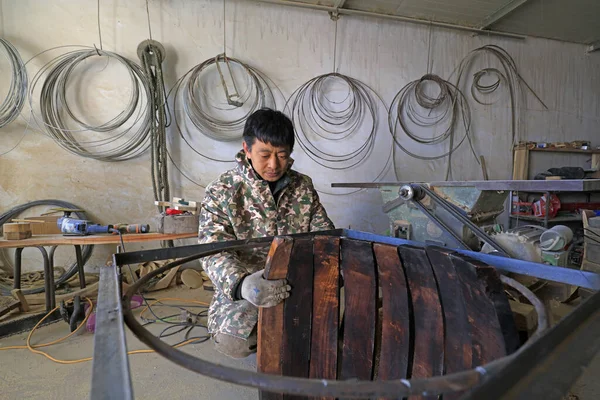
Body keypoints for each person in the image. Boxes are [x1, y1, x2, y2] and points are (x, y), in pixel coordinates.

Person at [198, 108, 334, 358]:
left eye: (282, 155)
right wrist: (242, 284)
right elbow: (212, 250)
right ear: (247, 149)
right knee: (235, 342)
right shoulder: (222, 190)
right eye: (265, 154)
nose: (274, 164)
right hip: (248, 287)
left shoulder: (301, 186)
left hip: (297, 282)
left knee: (333, 329)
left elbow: (324, 235)